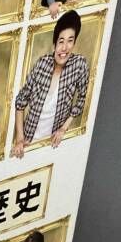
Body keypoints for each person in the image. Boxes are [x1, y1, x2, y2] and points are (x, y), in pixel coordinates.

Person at [11, 10, 89, 157]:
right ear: (54, 43)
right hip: (29, 140)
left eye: (70, 40)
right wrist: (20, 138)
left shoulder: (79, 65)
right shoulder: (42, 64)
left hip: (53, 143)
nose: (65, 47)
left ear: (74, 43)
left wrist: (64, 128)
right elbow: (20, 102)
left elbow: (81, 99)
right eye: (61, 41)